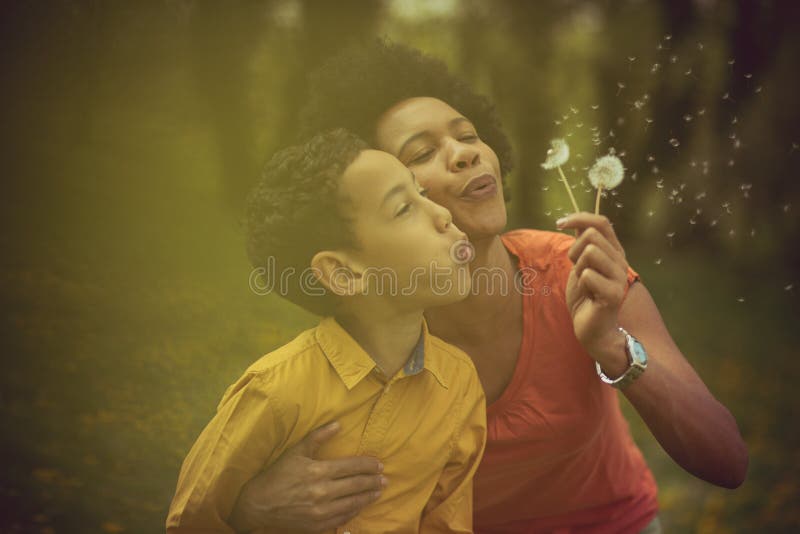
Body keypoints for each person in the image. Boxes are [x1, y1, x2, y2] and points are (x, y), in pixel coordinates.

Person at [229, 41, 748, 534]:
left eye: (469, 135)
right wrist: (251, 505)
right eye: (421, 153)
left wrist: (611, 347)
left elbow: (727, 461)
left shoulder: (578, 276)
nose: (464, 154)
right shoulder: (361, 341)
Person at [166, 129, 487, 533]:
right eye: (404, 208)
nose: (442, 214)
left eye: (422, 193)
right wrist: (249, 518)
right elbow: (190, 523)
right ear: (343, 273)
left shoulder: (459, 385)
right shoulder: (276, 392)